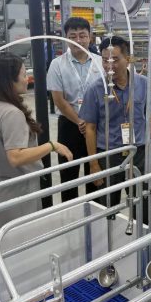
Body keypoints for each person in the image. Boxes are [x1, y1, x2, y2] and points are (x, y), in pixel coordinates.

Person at [0, 53, 72, 232]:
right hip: (16, 190)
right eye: (22, 74)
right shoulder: (11, 113)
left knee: (3, 237)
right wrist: (51, 146)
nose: (26, 79)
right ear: (10, 80)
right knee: (23, 238)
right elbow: (16, 157)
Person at [80, 36, 151, 224]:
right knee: (108, 205)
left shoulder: (143, 84)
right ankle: (108, 238)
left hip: (139, 153)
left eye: (115, 60)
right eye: (105, 60)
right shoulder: (95, 89)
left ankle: (143, 238)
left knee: (142, 201)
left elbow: (149, 118)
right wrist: (93, 164)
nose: (109, 66)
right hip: (109, 155)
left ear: (128, 59)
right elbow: (90, 128)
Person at [47, 17, 104, 203]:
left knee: (95, 172)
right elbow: (59, 100)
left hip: (96, 125)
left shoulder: (100, 63)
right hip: (70, 125)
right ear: (66, 38)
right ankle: (70, 212)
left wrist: (90, 123)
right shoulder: (57, 64)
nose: (78, 40)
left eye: (82, 35)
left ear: (90, 37)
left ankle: (94, 211)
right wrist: (80, 121)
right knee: (68, 174)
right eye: (73, 36)